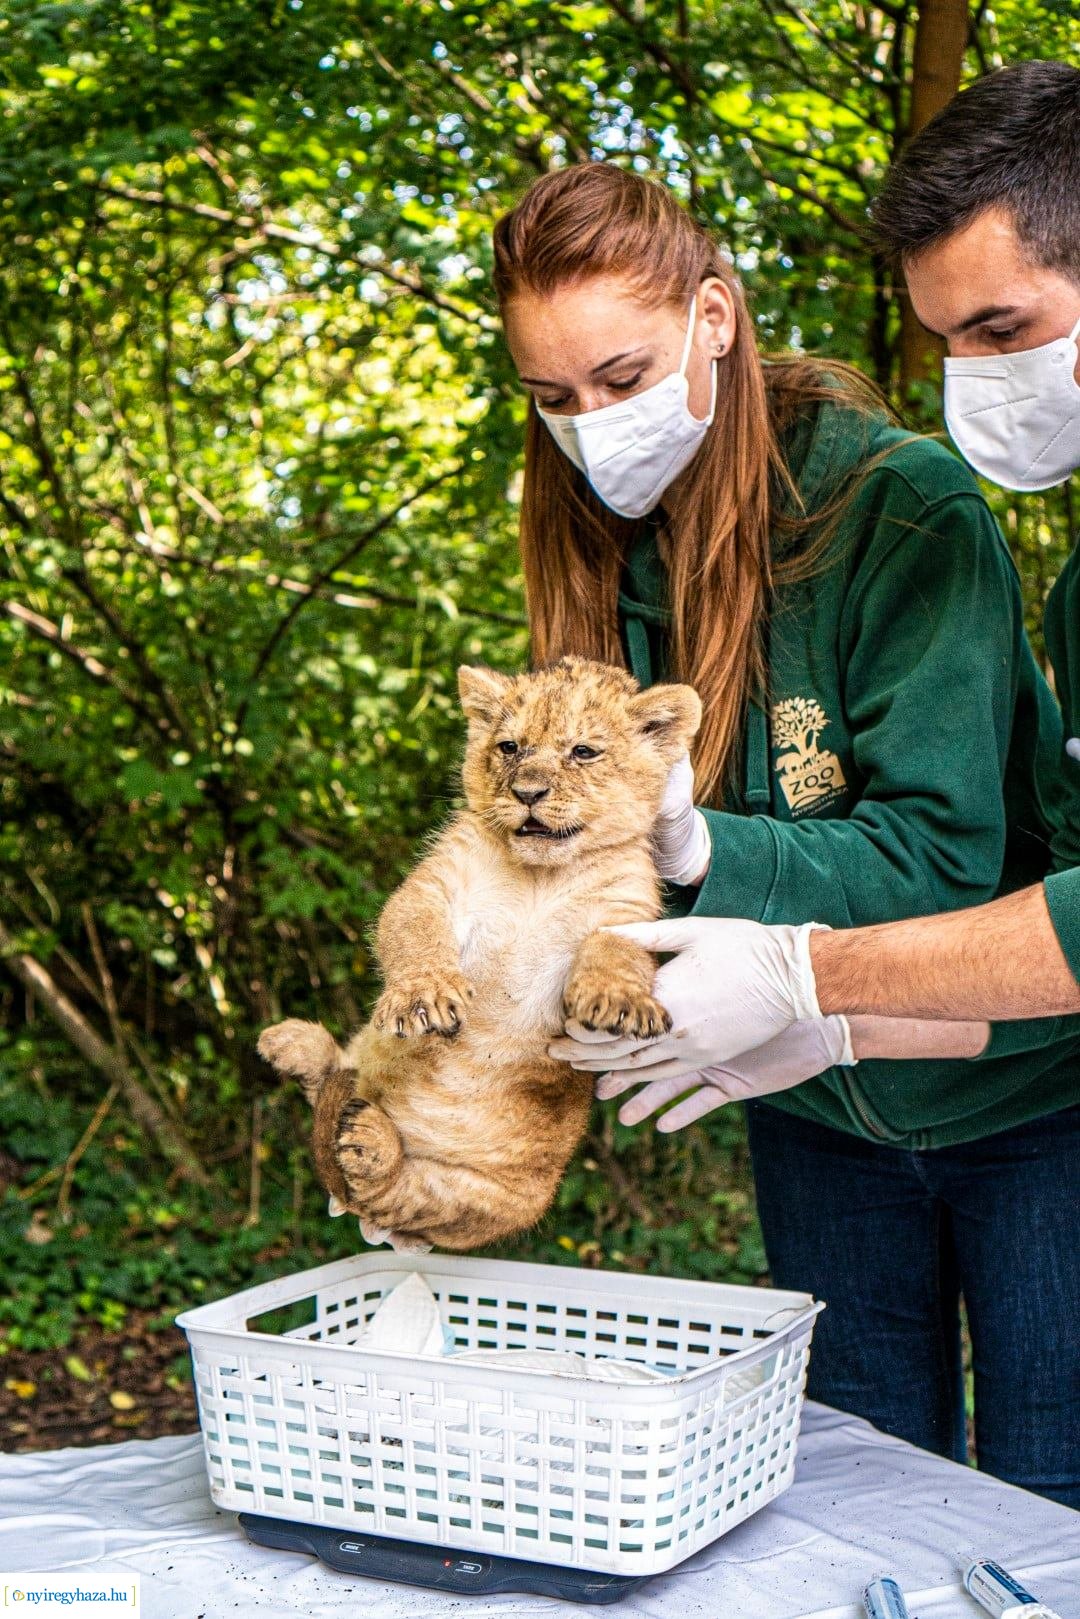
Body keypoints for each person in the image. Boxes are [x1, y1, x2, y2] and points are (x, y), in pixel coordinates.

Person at [491, 150, 1080, 1506]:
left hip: (1028, 1102)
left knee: (1049, 1490)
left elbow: (945, 864)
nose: (591, 428)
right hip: (804, 1106)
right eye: (553, 399)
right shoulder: (592, 540)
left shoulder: (900, 506)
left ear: (715, 316)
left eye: (622, 380)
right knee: (856, 1491)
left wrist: (704, 856)